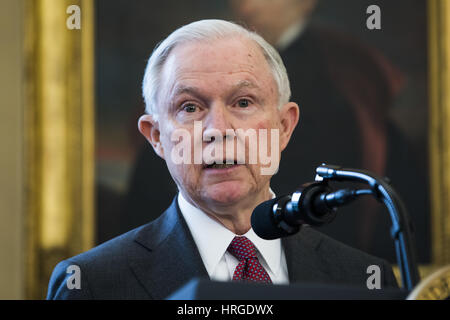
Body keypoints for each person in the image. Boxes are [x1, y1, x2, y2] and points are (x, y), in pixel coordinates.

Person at [47, 19, 398, 300]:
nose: (218, 129)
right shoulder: (92, 285)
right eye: (190, 107)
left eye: (243, 103)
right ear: (156, 138)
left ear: (284, 126)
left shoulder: (363, 280)